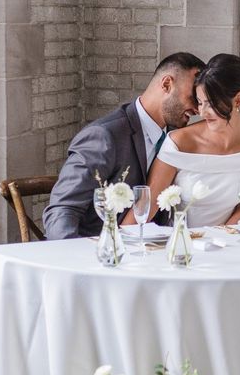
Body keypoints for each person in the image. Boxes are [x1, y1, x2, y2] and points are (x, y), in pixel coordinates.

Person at [43, 52, 205, 239]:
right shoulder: (104, 136)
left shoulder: (174, 139)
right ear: (167, 84)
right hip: (99, 254)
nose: (198, 109)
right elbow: (63, 209)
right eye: (194, 97)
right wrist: (77, 262)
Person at [122, 53, 240, 229]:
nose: (203, 112)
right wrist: (120, 243)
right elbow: (148, 204)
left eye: (211, 104)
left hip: (230, 241)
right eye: (200, 102)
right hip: (182, 244)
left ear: (238, 100)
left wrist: (221, 238)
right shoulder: (180, 142)